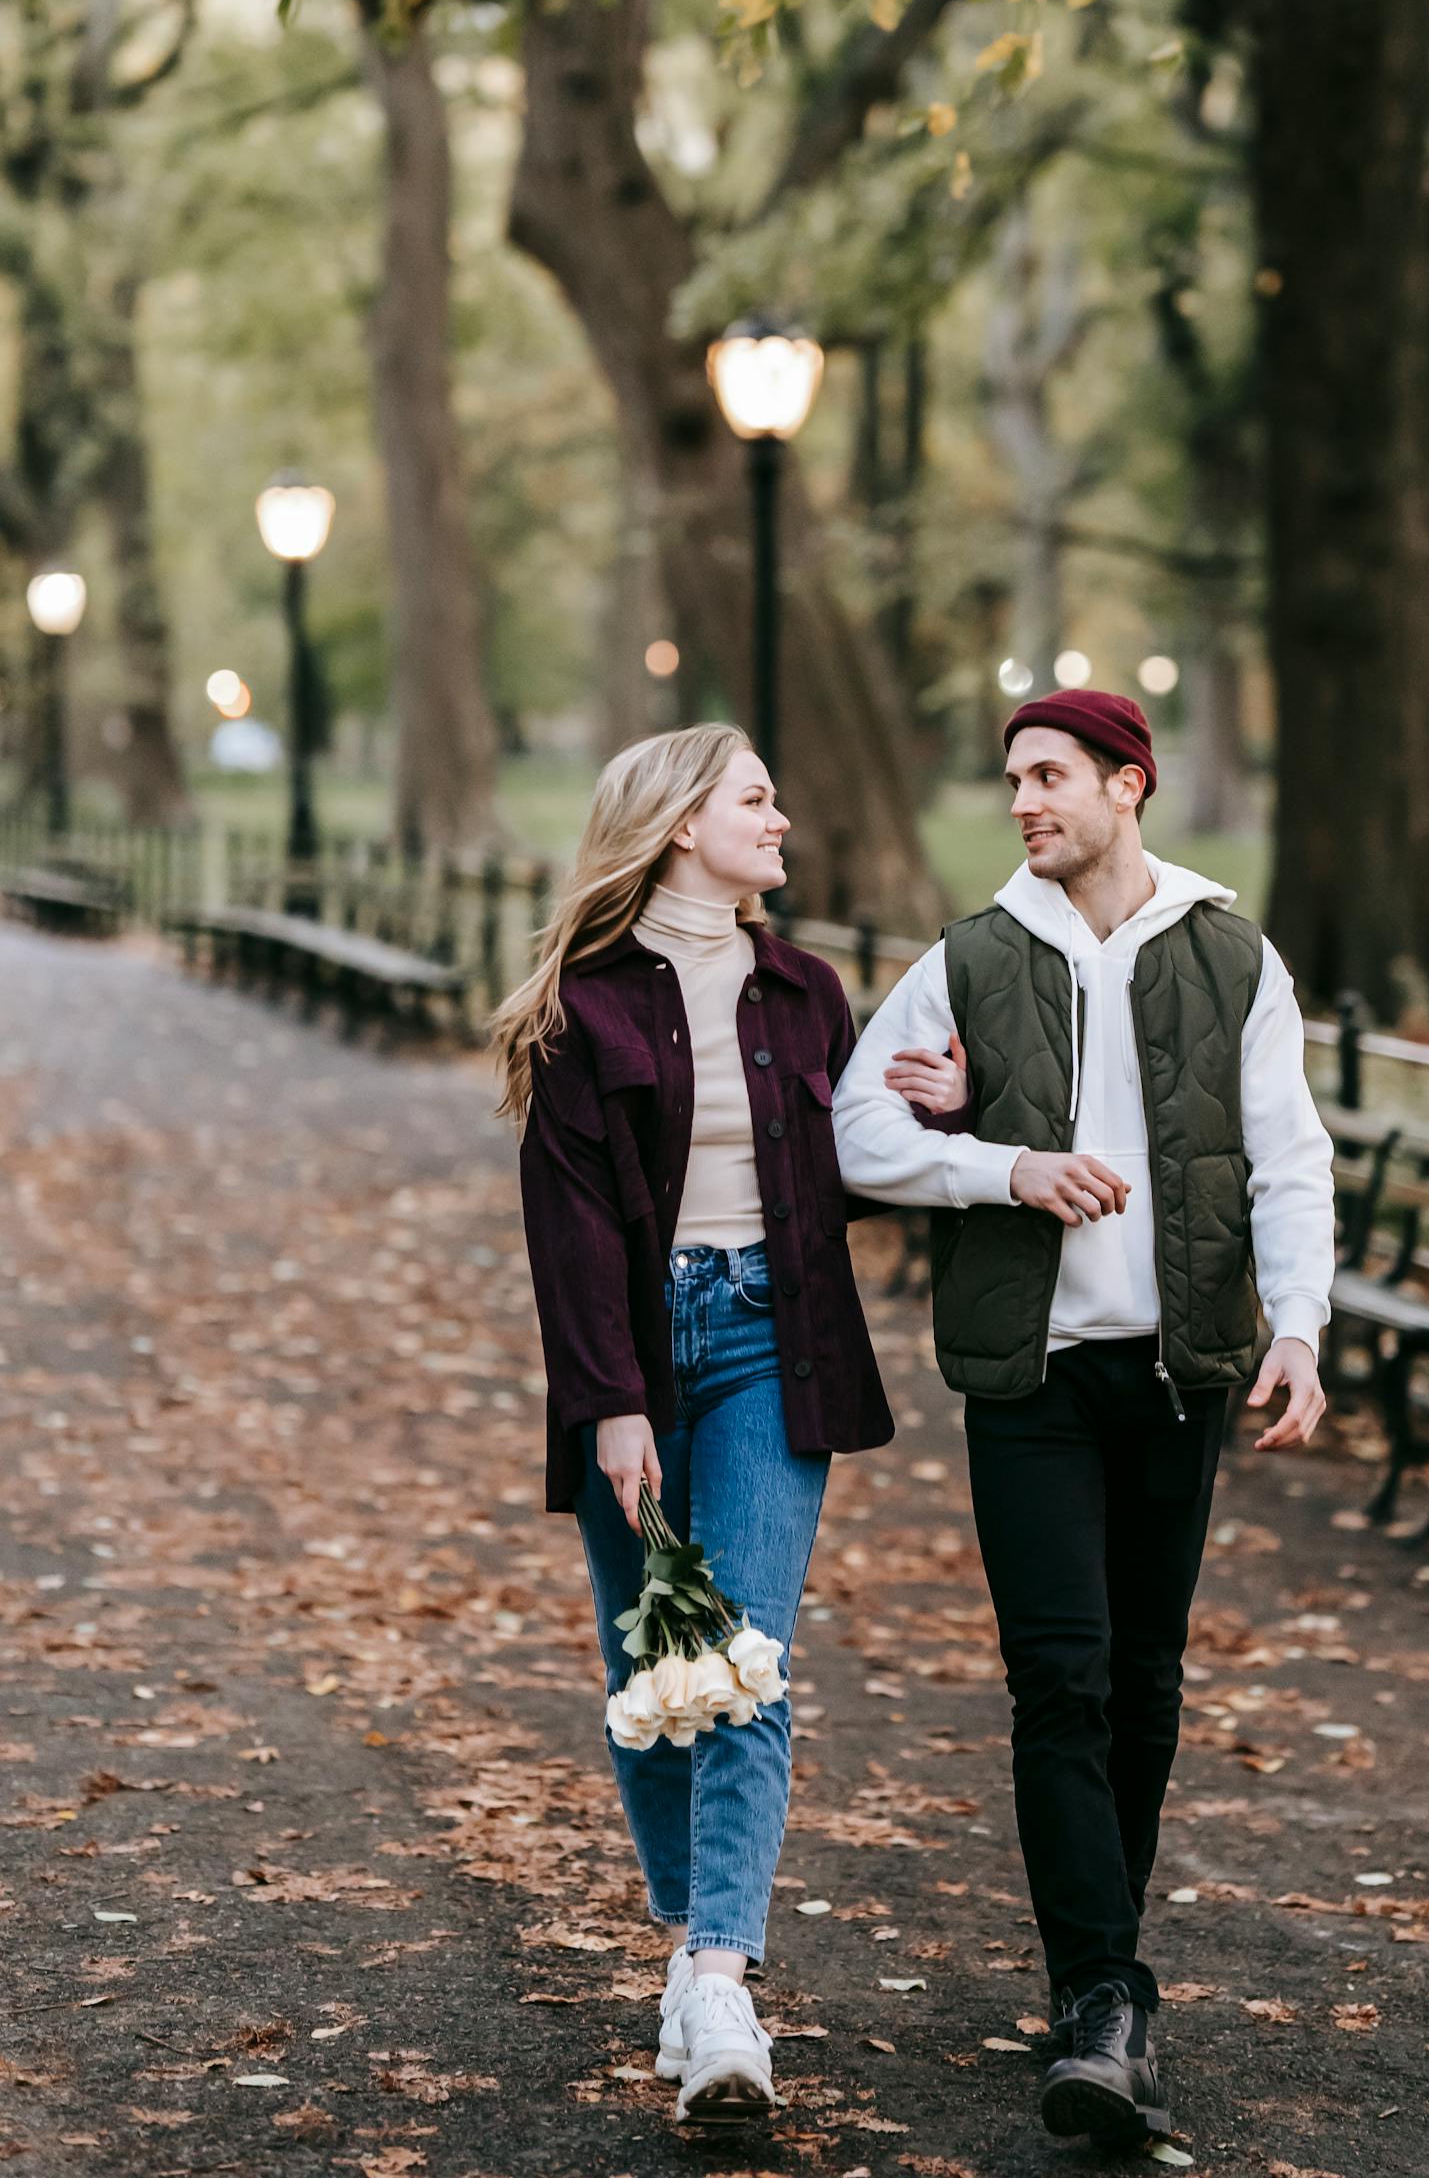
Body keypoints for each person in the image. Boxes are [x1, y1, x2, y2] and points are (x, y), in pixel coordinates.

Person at [833, 688, 1336, 2150]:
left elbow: (1288, 1158)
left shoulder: (1234, 957)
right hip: (1034, 1380)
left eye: (1049, 776)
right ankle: (1103, 1995)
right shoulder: (970, 958)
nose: (1022, 802)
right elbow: (859, 1130)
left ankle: (1100, 1984)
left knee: (1146, 1681)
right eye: (1012, 779)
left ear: (1131, 784)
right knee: (1059, 1679)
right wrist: (999, 1165)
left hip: (1179, 1377)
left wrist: (1296, 1328)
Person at [494, 725, 952, 2122]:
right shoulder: (584, 1008)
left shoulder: (806, 993)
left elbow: (838, 1173)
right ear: (685, 820)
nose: (785, 816)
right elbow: (566, 1229)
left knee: (739, 1658)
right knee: (656, 1674)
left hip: (772, 1344)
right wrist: (611, 1406)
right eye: (759, 797)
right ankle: (695, 1949)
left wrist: (941, 1110)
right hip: (641, 1355)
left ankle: (717, 1975)